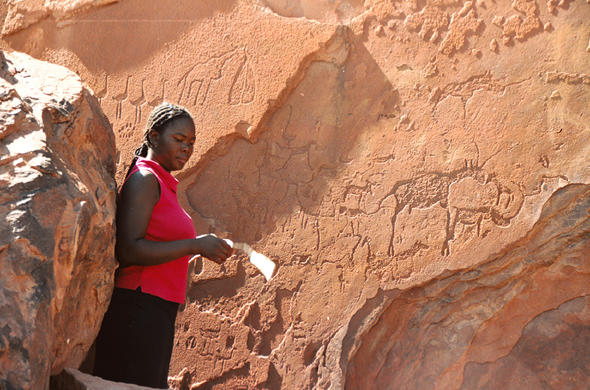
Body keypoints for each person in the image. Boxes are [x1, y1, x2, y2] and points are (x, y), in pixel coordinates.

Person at [93, 102, 233, 388]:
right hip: (137, 308)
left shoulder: (163, 182)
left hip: (156, 310)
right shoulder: (144, 179)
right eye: (179, 140)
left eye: (191, 143)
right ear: (154, 137)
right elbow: (129, 250)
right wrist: (194, 246)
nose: (187, 149)